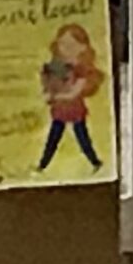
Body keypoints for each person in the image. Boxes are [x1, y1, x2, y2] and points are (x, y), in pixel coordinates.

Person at [36, 22, 105, 171]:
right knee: (53, 139)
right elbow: (49, 83)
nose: (66, 49)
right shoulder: (56, 66)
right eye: (63, 44)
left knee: (82, 138)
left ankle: (95, 162)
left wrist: (55, 97)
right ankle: (42, 165)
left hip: (74, 110)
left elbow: (74, 93)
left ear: (83, 47)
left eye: (71, 45)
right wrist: (47, 89)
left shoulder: (81, 69)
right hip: (59, 110)